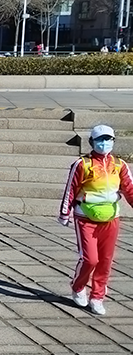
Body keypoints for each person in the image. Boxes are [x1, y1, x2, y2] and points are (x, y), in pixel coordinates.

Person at [59, 124, 133, 315]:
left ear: (113, 142)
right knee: (90, 259)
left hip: (111, 218)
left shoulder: (119, 165)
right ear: (92, 142)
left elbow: (129, 189)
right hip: (85, 217)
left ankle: (98, 296)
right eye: (100, 139)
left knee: (106, 260)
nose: (104, 143)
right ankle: (78, 286)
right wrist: (64, 213)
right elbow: (71, 188)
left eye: (108, 139)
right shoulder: (83, 164)